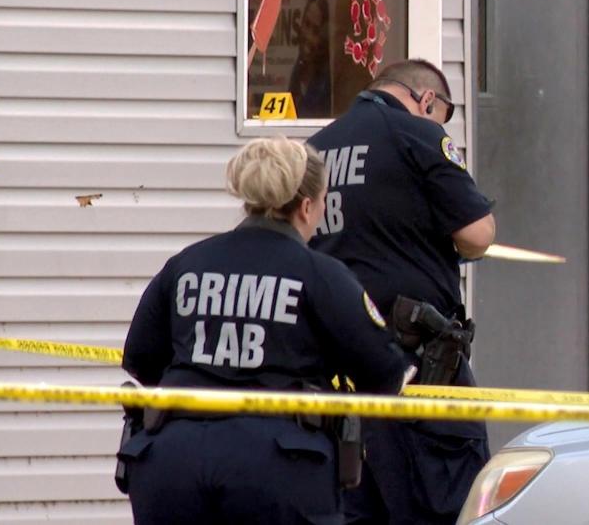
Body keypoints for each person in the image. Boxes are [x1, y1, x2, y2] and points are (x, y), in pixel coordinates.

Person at [118, 135, 413, 525]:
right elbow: (385, 375)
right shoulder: (321, 275)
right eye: (323, 202)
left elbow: (139, 360)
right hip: (279, 468)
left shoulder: (187, 264)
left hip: (171, 460)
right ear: (306, 207)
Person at [307, 58, 496, 524]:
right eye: (440, 116)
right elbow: (478, 234)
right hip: (417, 368)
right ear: (427, 100)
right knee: (443, 501)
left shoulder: (316, 149)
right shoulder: (419, 134)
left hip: (337, 370)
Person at [288, 0, 332, 118]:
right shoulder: (297, 71)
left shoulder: (327, 84)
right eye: (306, 24)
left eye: (316, 31)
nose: (308, 36)